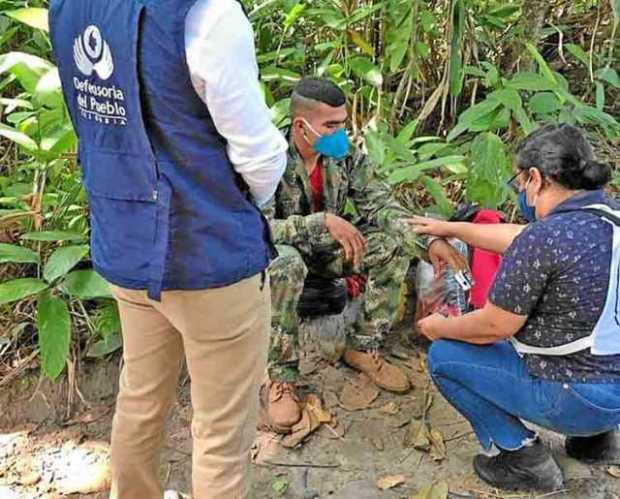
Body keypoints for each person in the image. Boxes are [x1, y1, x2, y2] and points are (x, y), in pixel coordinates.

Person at [49, 0, 288, 497]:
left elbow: (91, 127)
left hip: (127, 245)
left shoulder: (71, 7)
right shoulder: (210, 15)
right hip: (211, 261)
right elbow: (259, 155)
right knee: (221, 434)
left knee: (140, 397)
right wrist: (240, 207)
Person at [410, 124, 620, 492]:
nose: (521, 191)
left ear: (536, 178)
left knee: (445, 356)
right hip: (613, 394)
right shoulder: (607, 219)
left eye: (520, 181)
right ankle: (597, 442)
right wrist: (452, 228)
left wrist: (439, 327)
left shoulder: (545, 238)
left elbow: (494, 326)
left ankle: (523, 459)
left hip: (572, 396)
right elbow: (514, 236)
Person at [262, 77, 468, 433]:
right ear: (301, 125)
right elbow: (255, 229)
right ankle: (281, 378)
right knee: (286, 261)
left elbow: (381, 205)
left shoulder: (344, 157)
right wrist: (321, 222)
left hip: (329, 254)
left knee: (389, 246)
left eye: (343, 123)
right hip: (281, 257)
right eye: (331, 125)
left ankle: (361, 346)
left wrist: (427, 242)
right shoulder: (265, 157)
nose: (340, 132)